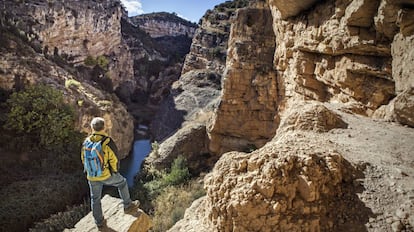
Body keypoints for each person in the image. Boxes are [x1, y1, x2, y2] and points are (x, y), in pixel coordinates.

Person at [81, 117, 138, 227]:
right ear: (104, 127)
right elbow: (114, 160)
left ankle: (99, 222)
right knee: (122, 183)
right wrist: (115, 172)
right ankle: (128, 205)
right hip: (106, 175)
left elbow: (83, 158)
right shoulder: (107, 142)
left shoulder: (86, 142)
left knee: (95, 198)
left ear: (92, 128)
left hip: (92, 176)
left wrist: (90, 171)